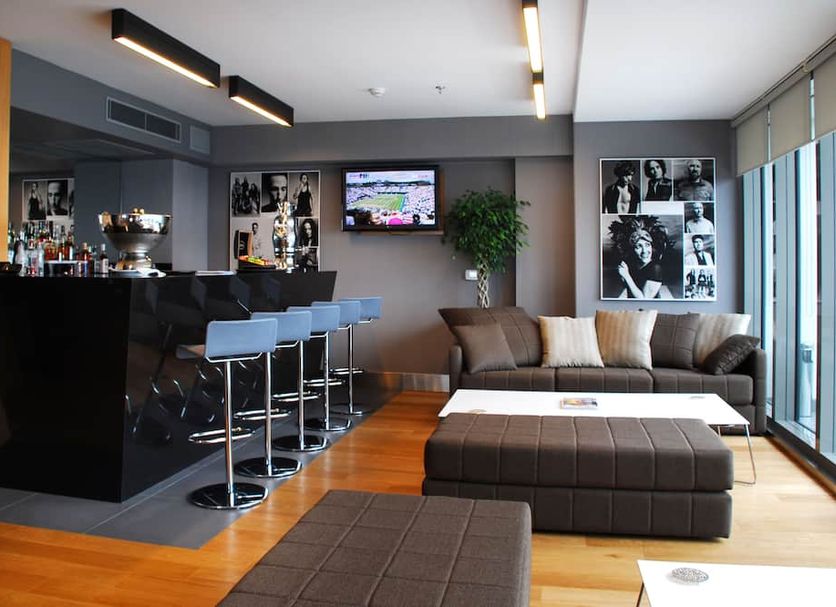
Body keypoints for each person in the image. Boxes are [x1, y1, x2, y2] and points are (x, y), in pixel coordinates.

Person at [608, 216, 674, 299]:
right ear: (631, 249)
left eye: (647, 245)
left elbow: (644, 300)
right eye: (638, 246)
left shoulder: (656, 268)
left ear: (652, 247)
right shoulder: (633, 264)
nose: (644, 251)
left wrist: (626, 276)